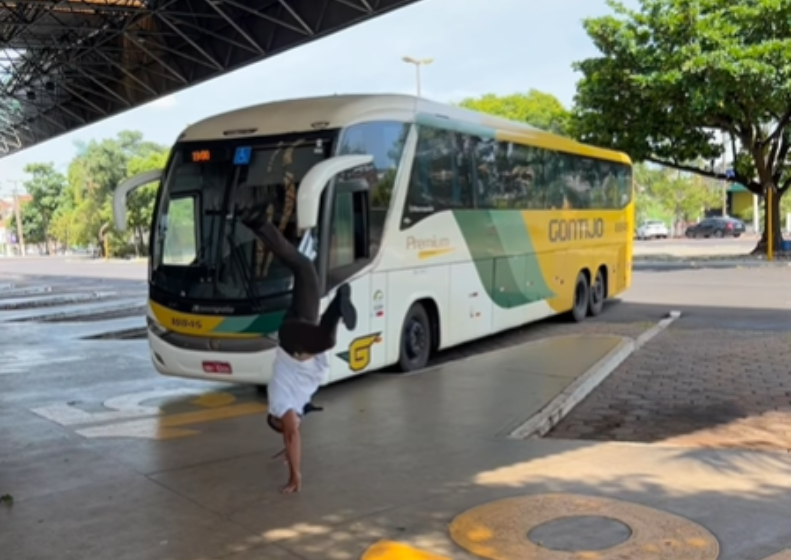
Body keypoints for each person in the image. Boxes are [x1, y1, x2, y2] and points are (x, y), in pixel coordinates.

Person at [238, 198, 356, 494]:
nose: (294, 425)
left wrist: (295, 475)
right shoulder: (300, 400)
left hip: (293, 342)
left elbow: (291, 434)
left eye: (286, 424)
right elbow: (289, 436)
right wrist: (285, 452)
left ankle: (338, 307)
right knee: (303, 267)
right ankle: (256, 221)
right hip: (302, 325)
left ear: (277, 418)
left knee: (326, 338)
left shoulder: (280, 401)